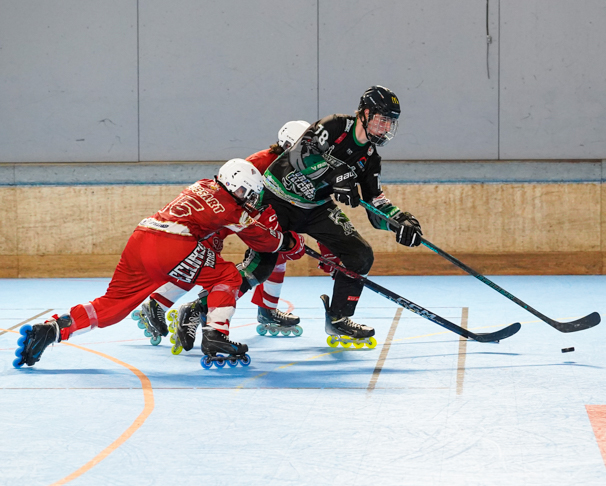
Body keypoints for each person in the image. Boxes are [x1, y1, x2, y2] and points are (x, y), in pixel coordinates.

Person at [13, 159, 304, 368]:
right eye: (245, 193)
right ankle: (216, 336)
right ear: (234, 186)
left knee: (113, 304)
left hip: (142, 238)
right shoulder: (229, 206)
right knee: (227, 275)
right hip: (172, 246)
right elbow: (262, 240)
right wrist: (289, 243)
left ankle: (54, 329)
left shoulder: (202, 185)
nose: (248, 200)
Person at [239, 85, 423, 344]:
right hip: (277, 197)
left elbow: (374, 202)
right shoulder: (336, 126)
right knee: (263, 263)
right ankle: (202, 308)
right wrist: (337, 175)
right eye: (382, 120)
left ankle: (338, 319)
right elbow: (300, 155)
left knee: (360, 254)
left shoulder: (370, 158)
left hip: (314, 207)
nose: (386, 128)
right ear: (366, 113)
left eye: (390, 123)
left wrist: (399, 221)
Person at [135, 122, 315, 349]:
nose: (308, 154)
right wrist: (278, 236)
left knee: (273, 255)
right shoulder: (259, 164)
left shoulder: (300, 166)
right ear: (287, 145)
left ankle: (267, 310)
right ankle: (169, 304)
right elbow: (236, 198)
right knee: (203, 262)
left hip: (248, 218)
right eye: (303, 147)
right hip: (232, 219)